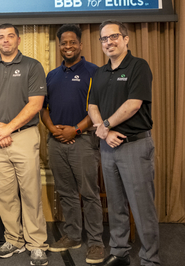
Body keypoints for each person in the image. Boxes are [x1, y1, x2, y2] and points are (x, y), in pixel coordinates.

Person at [0, 23, 49, 266]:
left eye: (10, 36)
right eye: (0, 37)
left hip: (24, 137)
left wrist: (7, 128)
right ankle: (14, 239)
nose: (5, 40)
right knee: (3, 194)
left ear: (18, 40)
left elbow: (35, 104)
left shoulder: (32, 66)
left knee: (30, 192)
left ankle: (37, 244)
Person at [88, 20, 160, 266]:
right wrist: (105, 132)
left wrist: (105, 125)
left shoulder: (138, 66)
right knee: (116, 204)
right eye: (104, 38)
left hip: (134, 146)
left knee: (142, 208)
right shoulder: (99, 72)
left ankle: (150, 259)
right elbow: (92, 106)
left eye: (114, 36)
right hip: (108, 147)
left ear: (126, 39)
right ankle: (119, 253)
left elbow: (134, 104)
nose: (109, 42)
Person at [41, 24, 104, 264]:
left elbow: (98, 108)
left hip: (84, 141)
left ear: (80, 44)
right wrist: (52, 129)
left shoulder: (94, 72)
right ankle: (73, 235)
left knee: (89, 194)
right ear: (59, 46)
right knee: (66, 192)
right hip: (56, 141)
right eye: (63, 43)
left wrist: (75, 129)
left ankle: (96, 242)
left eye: (72, 42)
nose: (68, 46)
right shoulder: (52, 75)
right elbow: (43, 109)